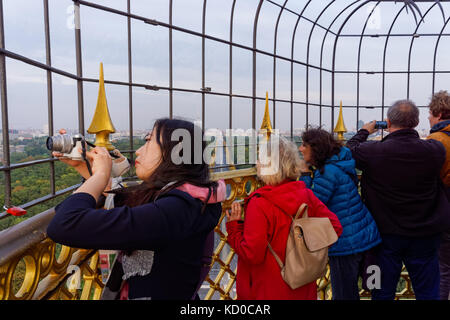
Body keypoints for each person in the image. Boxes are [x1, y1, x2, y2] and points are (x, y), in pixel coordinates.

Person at [47, 118, 225, 300]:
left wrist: (100, 175)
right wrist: (87, 169)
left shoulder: (176, 210)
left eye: (148, 141)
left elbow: (65, 224)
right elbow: (119, 207)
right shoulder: (187, 201)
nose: (138, 152)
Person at [346, 100, 449, 300]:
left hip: (382, 236)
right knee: (429, 291)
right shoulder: (435, 150)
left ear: (388, 122)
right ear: (417, 122)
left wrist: (365, 131)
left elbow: (350, 149)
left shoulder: (373, 152)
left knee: (380, 290)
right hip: (425, 233)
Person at [225, 135, 343, 300]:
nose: (257, 164)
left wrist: (234, 228)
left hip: (268, 289)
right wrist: (304, 246)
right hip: (302, 284)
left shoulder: (259, 204)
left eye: (260, 159)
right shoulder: (306, 194)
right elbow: (335, 227)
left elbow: (252, 254)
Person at [298, 128, 381, 300]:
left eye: (304, 145)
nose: (300, 149)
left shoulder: (327, 172)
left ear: (316, 148)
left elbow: (312, 205)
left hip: (345, 244)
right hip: (367, 237)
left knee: (344, 295)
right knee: (375, 287)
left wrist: (305, 175)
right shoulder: (340, 164)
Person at [427, 90, 450, 300]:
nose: (428, 117)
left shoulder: (436, 140)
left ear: (439, 113)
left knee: (443, 270)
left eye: (430, 113)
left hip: (444, 211)